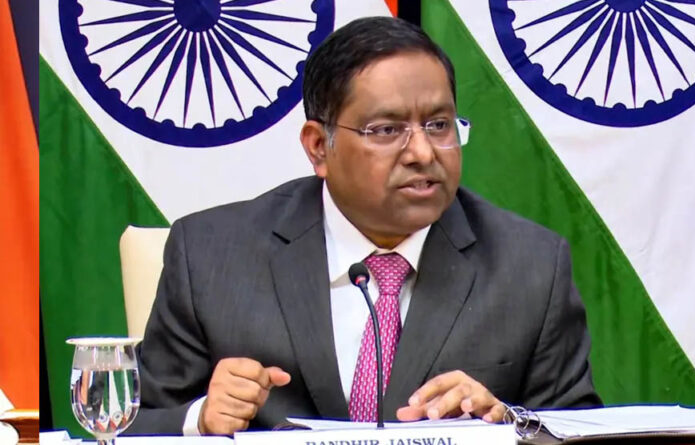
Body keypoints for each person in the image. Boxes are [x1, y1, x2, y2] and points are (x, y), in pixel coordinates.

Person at [126, 16, 600, 436]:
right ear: (318, 147)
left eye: (439, 125)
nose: (422, 153)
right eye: (387, 130)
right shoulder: (211, 257)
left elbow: (580, 429)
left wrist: (507, 423)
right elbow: (131, 426)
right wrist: (201, 418)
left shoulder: (531, 267)